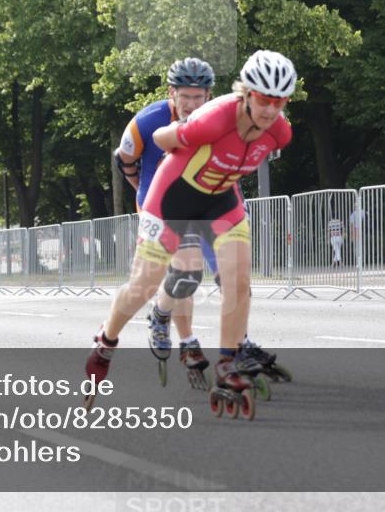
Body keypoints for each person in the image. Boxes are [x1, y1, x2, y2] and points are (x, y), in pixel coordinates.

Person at [88, 50, 295, 417]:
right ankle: (106, 341)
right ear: (246, 94)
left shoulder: (280, 131)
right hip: (172, 198)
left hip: (219, 200)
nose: (269, 110)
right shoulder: (210, 120)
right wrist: (184, 132)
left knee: (238, 279)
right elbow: (161, 141)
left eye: (278, 103)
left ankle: (228, 363)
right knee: (146, 285)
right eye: (263, 101)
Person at [116, 58, 218, 386]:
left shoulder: (216, 120)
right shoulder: (147, 121)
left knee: (188, 275)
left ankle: (162, 314)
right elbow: (125, 160)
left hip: (195, 203)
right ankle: (186, 341)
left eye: (198, 97)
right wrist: (147, 200)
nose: (191, 104)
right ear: (171, 93)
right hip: (156, 204)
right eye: (184, 96)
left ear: (208, 95)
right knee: (186, 270)